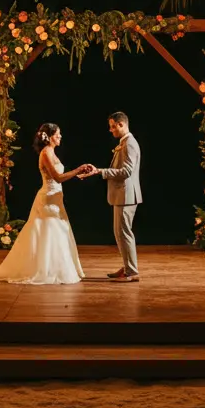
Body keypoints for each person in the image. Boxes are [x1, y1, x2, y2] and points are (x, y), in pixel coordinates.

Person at [0, 123, 87, 284]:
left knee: (56, 233)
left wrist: (78, 173)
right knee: (48, 232)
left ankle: (53, 268)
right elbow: (57, 178)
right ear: (49, 137)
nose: (60, 136)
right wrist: (78, 170)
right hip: (47, 200)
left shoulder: (52, 152)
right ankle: (43, 269)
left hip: (55, 199)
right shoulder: (45, 153)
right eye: (57, 134)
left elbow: (60, 176)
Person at [79, 111, 141, 282]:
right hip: (122, 195)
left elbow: (127, 171)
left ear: (122, 124)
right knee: (119, 233)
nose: (111, 130)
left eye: (113, 126)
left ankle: (132, 272)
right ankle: (128, 267)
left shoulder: (130, 143)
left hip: (126, 195)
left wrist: (100, 171)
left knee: (124, 233)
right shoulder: (125, 142)